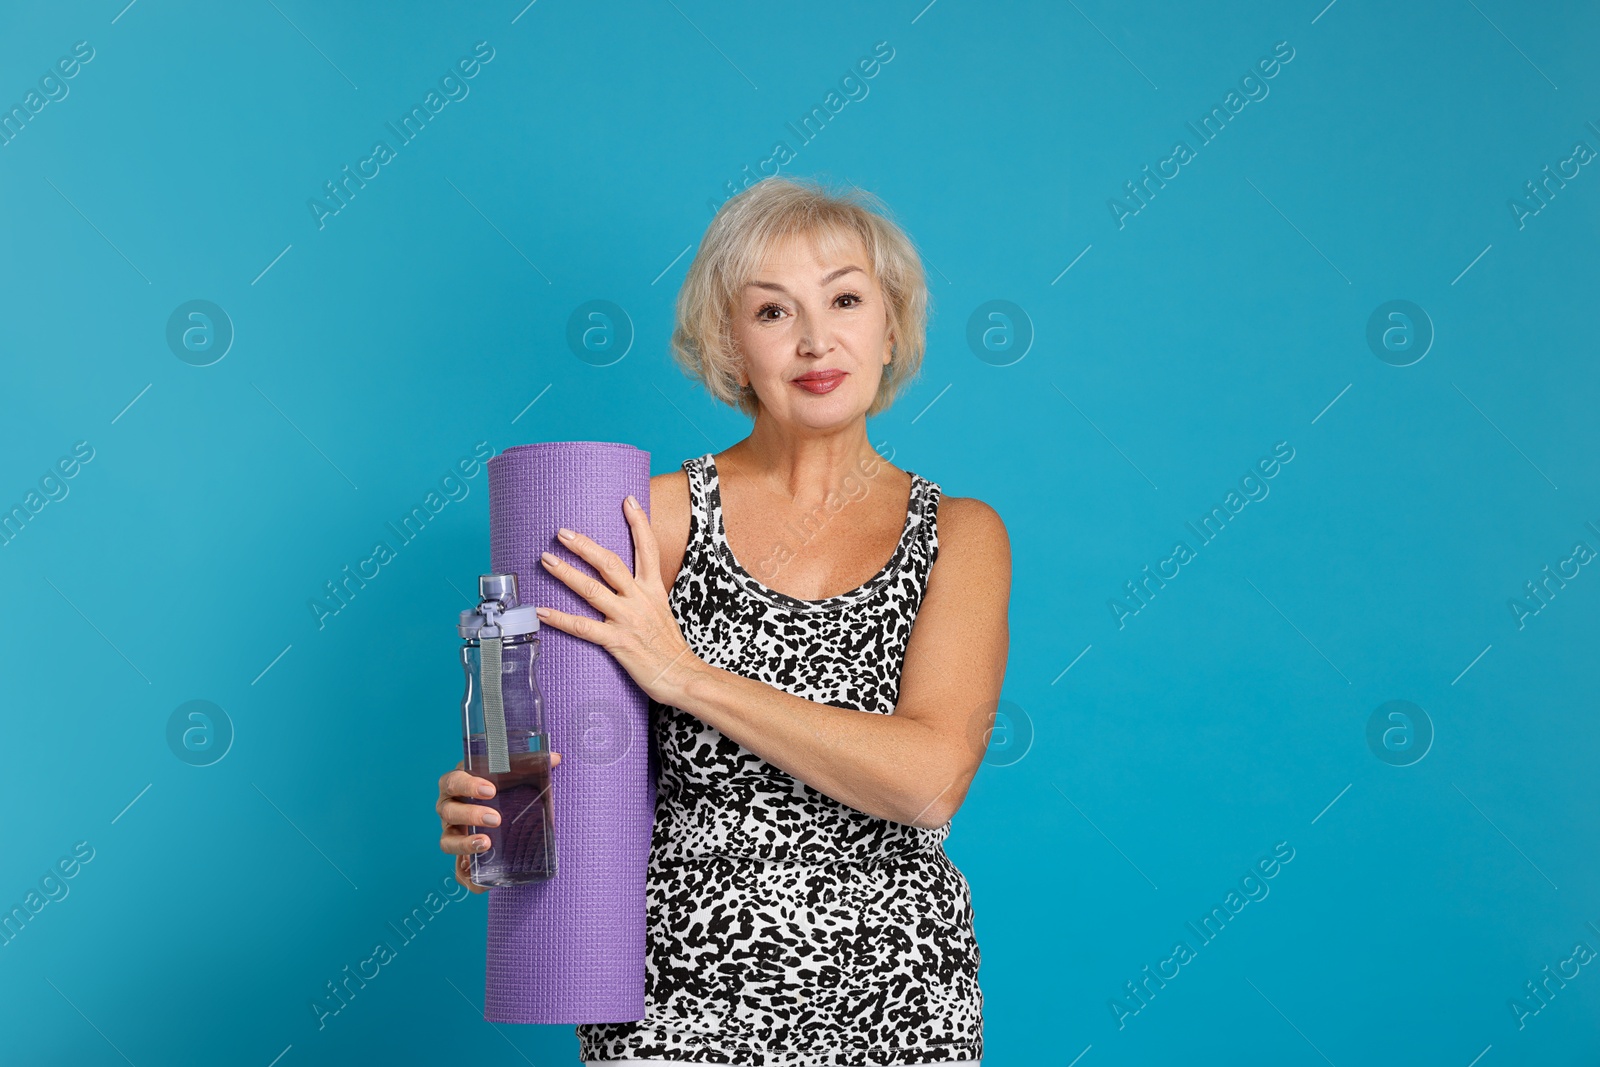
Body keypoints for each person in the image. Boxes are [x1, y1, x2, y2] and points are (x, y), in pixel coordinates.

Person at [435, 175, 1011, 1065]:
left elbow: (929, 781)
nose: (817, 339)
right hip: (678, 1004)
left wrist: (685, 675)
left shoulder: (960, 536)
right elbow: (543, 786)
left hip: (902, 1003)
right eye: (773, 312)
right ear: (730, 346)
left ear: (891, 326)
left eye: (847, 299)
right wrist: (494, 824)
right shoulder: (640, 520)